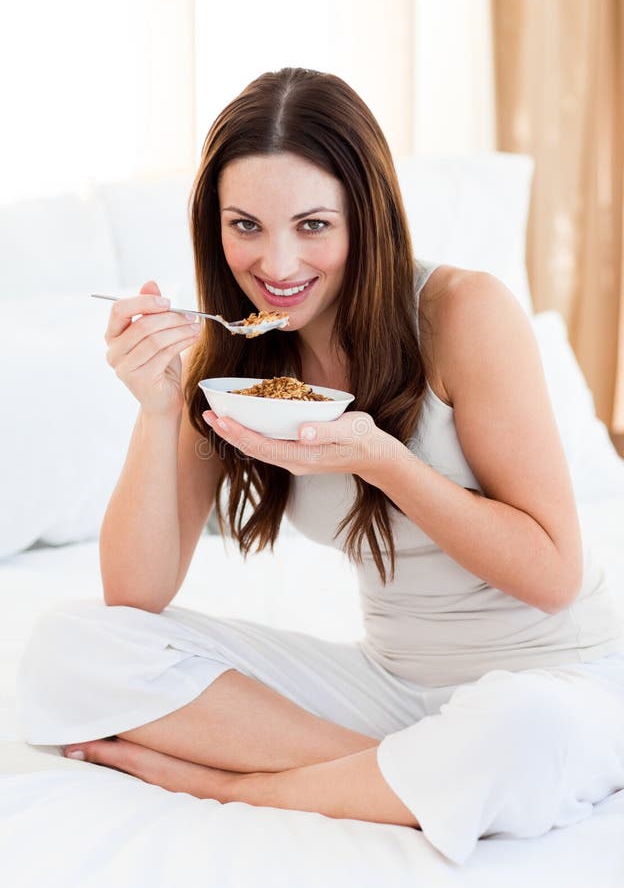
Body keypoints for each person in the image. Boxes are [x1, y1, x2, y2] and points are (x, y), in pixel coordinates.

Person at [17, 67, 624, 864]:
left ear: (364, 218)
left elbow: (551, 573)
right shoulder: (237, 358)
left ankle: (263, 782)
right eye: (246, 226)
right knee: (69, 650)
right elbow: (135, 597)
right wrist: (158, 408)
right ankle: (382, 772)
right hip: (391, 690)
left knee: (522, 736)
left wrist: (383, 459)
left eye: (311, 225)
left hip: (561, 676)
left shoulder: (461, 312)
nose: (275, 261)